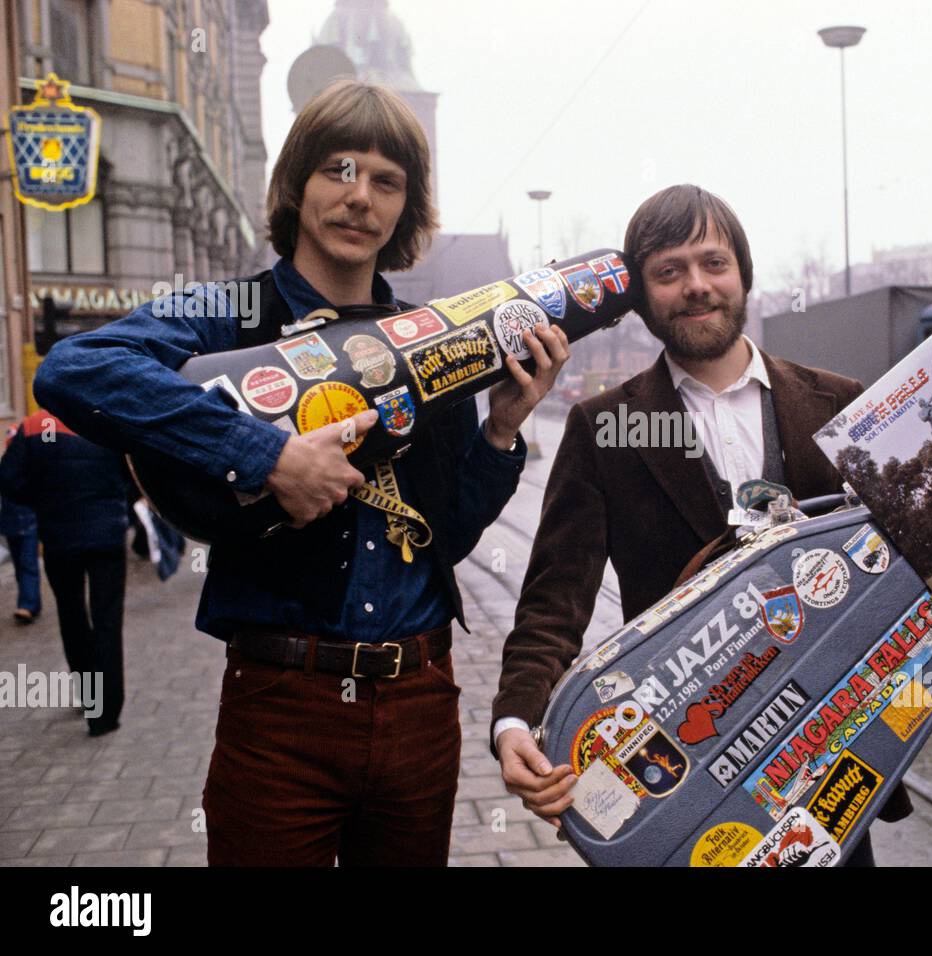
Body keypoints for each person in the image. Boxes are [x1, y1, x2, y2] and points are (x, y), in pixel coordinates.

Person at [33, 80, 569, 865]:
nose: (360, 198)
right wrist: (266, 454)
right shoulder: (231, 313)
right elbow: (75, 368)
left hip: (421, 699)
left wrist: (501, 431)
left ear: (407, 209)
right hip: (281, 705)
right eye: (339, 170)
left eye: (388, 181)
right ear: (296, 185)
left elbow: (445, 540)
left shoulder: (429, 342)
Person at [492, 184, 932, 866]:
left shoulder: (847, 408)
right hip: (686, 782)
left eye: (713, 263)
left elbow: (929, 581)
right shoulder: (602, 425)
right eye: (669, 272)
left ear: (744, 275)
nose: (696, 286)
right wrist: (516, 719)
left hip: (833, 774)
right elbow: (555, 598)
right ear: (641, 297)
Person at [0, 411, 132, 735]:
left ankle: (90, 698)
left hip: (59, 537)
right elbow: (136, 477)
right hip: (107, 536)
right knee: (107, 620)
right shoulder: (108, 421)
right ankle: (106, 713)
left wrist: (42, 500)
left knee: (71, 616)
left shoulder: (33, 427)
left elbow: (8, 480)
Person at [1, 423, 41, 624]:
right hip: (19, 520)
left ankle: (28, 603)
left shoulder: (11, 465)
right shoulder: (27, 466)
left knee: (25, 563)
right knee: (24, 563)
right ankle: (29, 601)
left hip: (20, 521)